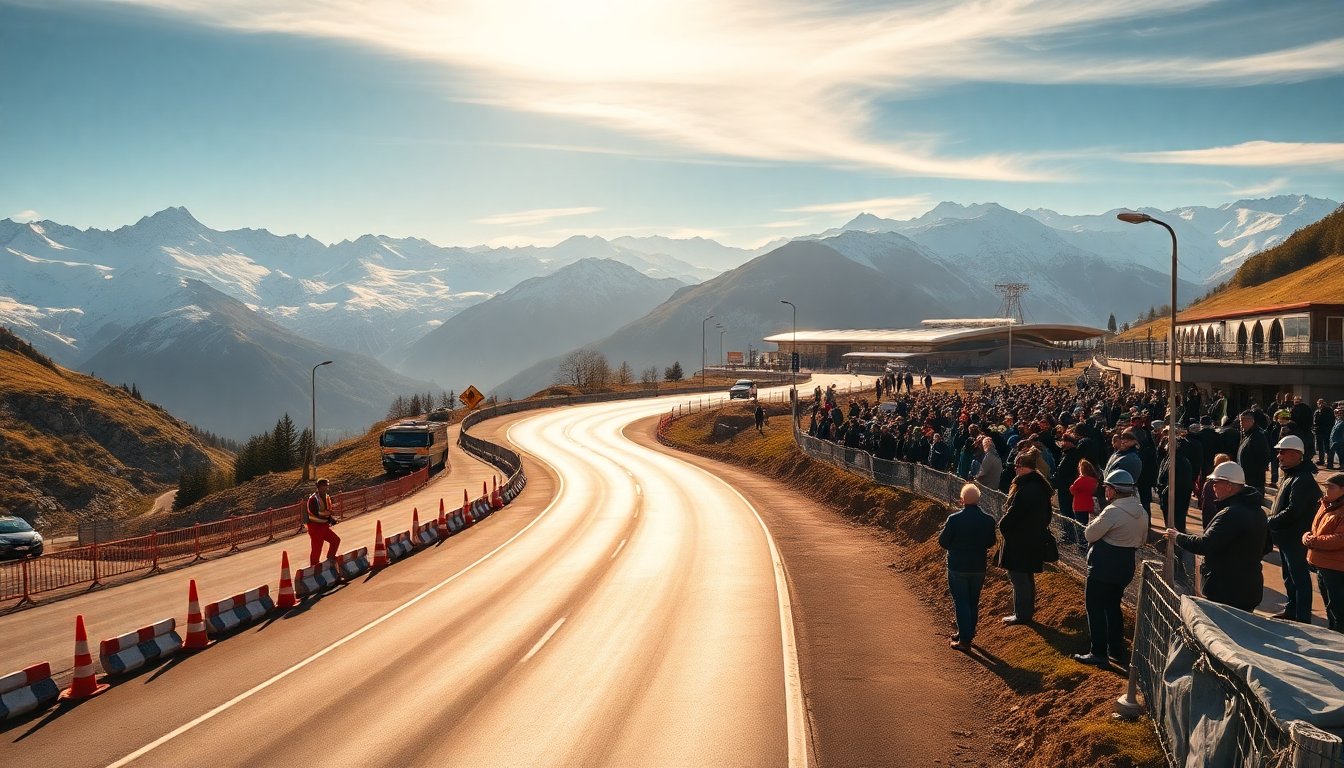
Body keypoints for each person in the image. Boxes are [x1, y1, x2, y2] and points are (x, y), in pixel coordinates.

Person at [1168, 462, 1268, 612]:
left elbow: (1205, 544)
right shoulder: (1258, 511)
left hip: (1228, 590)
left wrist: (1177, 537)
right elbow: (1266, 546)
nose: (1212, 486)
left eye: (1216, 482)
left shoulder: (1231, 514)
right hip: (1248, 587)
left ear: (1229, 486)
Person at [1074, 469, 1148, 666]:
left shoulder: (1113, 511)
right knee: (1113, 606)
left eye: (1107, 488)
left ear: (1114, 490)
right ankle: (1115, 650)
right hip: (1125, 564)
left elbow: (1090, 534)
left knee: (1095, 607)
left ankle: (1098, 652)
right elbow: (1142, 540)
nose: (1105, 492)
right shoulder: (1142, 511)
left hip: (1103, 565)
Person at [1267, 434, 1321, 623]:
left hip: (1295, 537)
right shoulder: (1291, 475)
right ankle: (1292, 610)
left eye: (1283, 452)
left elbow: (1294, 510)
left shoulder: (1302, 479)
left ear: (1297, 454)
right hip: (1286, 536)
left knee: (1299, 578)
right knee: (1289, 576)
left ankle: (1302, 617)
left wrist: (1270, 521)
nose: (1279, 456)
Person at [997, 449, 1054, 625]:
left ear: (1024, 468)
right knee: (1026, 577)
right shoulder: (1040, 487)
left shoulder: (1026, 489)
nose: (1015, 469)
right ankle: (1024, 612)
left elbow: (1013, 514)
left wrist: (1003, 526)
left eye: (1017, 466)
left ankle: (1022, 614)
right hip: (1032, 538)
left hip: (1021, 541)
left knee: (1019, 578)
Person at [938, 484, 999, 650]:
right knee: (973, 600)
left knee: (961, 601)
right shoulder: (988, 520)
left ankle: (965, 640)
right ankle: (967, 632)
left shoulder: (954, 519)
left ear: (962, 500)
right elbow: (991, 541)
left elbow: (943, 542)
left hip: (958, 565)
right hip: (978, 565)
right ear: (979, 499)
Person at [1304, 473, 1344, 632]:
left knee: (1338, 607)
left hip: (1335, 567)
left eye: (1331, 487)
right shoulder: (1326, 504)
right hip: (1322, 564)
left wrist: (1313, 541)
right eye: (1325, 487)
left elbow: (1340, 539)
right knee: (1330, 605)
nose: (1326, 490)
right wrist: (1306, 536)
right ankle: (1333, 632)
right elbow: (1316, 529)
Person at [305, 478, 341, 567]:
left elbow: (326, 510)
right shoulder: (313, 499)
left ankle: (330, 558)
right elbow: (316, 512)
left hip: (324, 526)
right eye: (323, 486)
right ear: (318, 487)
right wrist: (328, 514)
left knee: (335, 540)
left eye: (326, 486)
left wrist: (331, 519)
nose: (325, 488)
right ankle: (314, 567)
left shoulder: (327, 497)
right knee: (317, 548)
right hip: (315, 527)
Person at [1237, 410, 1270, 494]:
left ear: (1251, 421)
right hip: (1246, 478)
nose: (1241, 424)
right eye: (1240, 421)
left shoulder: (1258, 436)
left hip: (1254, 480)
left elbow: (1263, 458)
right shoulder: (1246, 435)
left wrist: (1252, 473)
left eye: (1243, 421)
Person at [1068, 458, 1099, 548]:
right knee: (1086, 524)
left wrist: (1074, 490)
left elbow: (1072, 490)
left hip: (1079, 504)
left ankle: (1081, 544)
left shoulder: (1080, 480)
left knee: (1079, 525)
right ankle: (1086, 541)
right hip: (1088, 504)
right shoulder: (1093, 480)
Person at [1314, 399, 1336, 469]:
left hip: (1327, 431)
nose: (1320, 404)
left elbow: (1331, 421)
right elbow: (1315, 421)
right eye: (1319, 403)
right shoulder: (1317, 411)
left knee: (1328, 447)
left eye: (1321, 403)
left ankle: (1330, 463)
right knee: (1320, 447)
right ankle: (1321, 460)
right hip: (1319, 431)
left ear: (1324, 403)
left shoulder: (1329, 410)